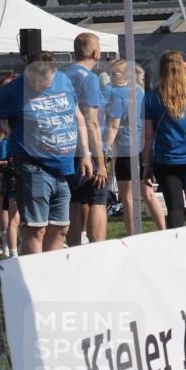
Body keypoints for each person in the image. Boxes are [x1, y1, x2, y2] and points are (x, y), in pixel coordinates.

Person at [0, 54, 93, 254]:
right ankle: (31, 278)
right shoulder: (13, 92)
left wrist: (86, 153)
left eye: (45, 81)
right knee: (36, 229)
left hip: (63, 169)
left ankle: (50, 276)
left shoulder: (63, 80)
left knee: (60, 228)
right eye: (34, 82)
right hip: (32, 167)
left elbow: (78, 118)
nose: (39, 85)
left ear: (53, 72)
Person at [142, 51, 186, 229]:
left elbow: (148, 136)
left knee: (175, 207)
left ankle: (175, 246)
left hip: (165, 160)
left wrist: (146, 166)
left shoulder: (151, 97)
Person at [103, 60, 166, 236]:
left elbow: (113, 126)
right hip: (142, 147)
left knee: (129, 197)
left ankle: (133, 234)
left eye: (114, 73)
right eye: (111, 73)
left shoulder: (120, 94)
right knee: (147, 193)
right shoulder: (139, 91)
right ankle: (163, 230)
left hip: (126, 148)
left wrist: (103, 148)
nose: (111, 77)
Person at [63, 33, 109, 245]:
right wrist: (100, 162)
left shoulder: (61, 75)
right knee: (97, 199)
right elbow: (91, 122)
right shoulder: (89, 79)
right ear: (95, 53)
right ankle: (97, 249)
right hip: (86, 151)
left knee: (74, 202)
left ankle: (72, 250)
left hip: (65, 148)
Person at [0, 127, 19, 258]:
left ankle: (9, 247)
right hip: (8, 183)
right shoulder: (5, 142)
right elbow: (4, 162)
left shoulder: (8, 141)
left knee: (13, 216)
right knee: (8, 214)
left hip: (13, 182)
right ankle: (7, 247)